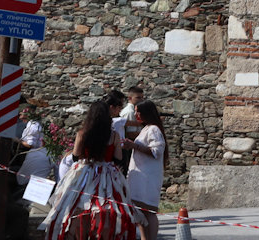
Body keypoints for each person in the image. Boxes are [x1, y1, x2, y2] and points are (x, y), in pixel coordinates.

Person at [42, 99, 145, 240]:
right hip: (107, 175)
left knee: (77, 205)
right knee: (106, 207)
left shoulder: (82, 133)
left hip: (84, 173)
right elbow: (118, 158)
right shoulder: (113, 135)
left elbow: (76, 156)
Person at [126, 101, 168, 240]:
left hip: (148, 178)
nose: (136, 114)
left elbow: (156, 151)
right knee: (139, 212)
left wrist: (134, 146)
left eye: (139, 112)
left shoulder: (154, 130)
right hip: (141, 177)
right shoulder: (146, 128)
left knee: (149, 212)